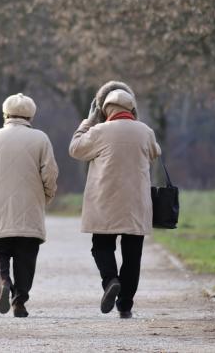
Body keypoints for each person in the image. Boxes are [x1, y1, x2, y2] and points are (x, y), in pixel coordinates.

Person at [68, 81, 161, 319]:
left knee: (101, 246)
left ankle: (110, 280)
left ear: (104, 109)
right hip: (136, 203)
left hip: (104, 201)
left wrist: (88, 122)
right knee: (132, 255)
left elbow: (76, 149)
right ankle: (126, 304)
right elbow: (155, 152)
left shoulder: (98, 132)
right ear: (131, 108)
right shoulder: (145, 131)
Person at [0, 93, 59, 318]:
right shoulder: (41, 139)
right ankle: (19, 301)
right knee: (26, 256)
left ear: (5, 114)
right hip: (30, 208)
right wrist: (44, 198)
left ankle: (3, 281)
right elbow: (50, 174)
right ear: (31, 115)